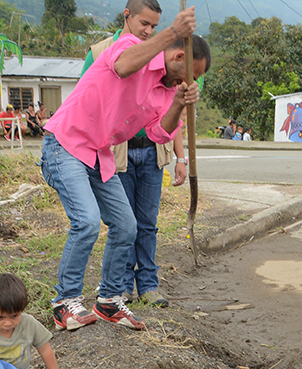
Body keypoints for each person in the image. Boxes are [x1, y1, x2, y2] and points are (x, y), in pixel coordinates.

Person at [41, 5, 208, 331]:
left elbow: (161, 132)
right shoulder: (126, 46)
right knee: (87, 222)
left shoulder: (167, 90)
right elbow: (122, 66)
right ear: (178, 59)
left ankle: (109, 299)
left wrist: (179, 103)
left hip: (99, 154)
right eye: (194, 74)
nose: (193, 80)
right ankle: (64, 302)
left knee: (127, 225)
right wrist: (173, 33)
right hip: (66, 144)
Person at [80, 0, 189, 309]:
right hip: (119, 152)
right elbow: (88, 98)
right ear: (126, 15)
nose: (149, 31)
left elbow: (171, 112)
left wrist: (180, 158)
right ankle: (122, 285)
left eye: (154, 27)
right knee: (123, 222)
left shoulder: (158, 53)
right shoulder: (101, 51)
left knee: (147, 223)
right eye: (145, 24)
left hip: (153, 152)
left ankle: (149, 285)